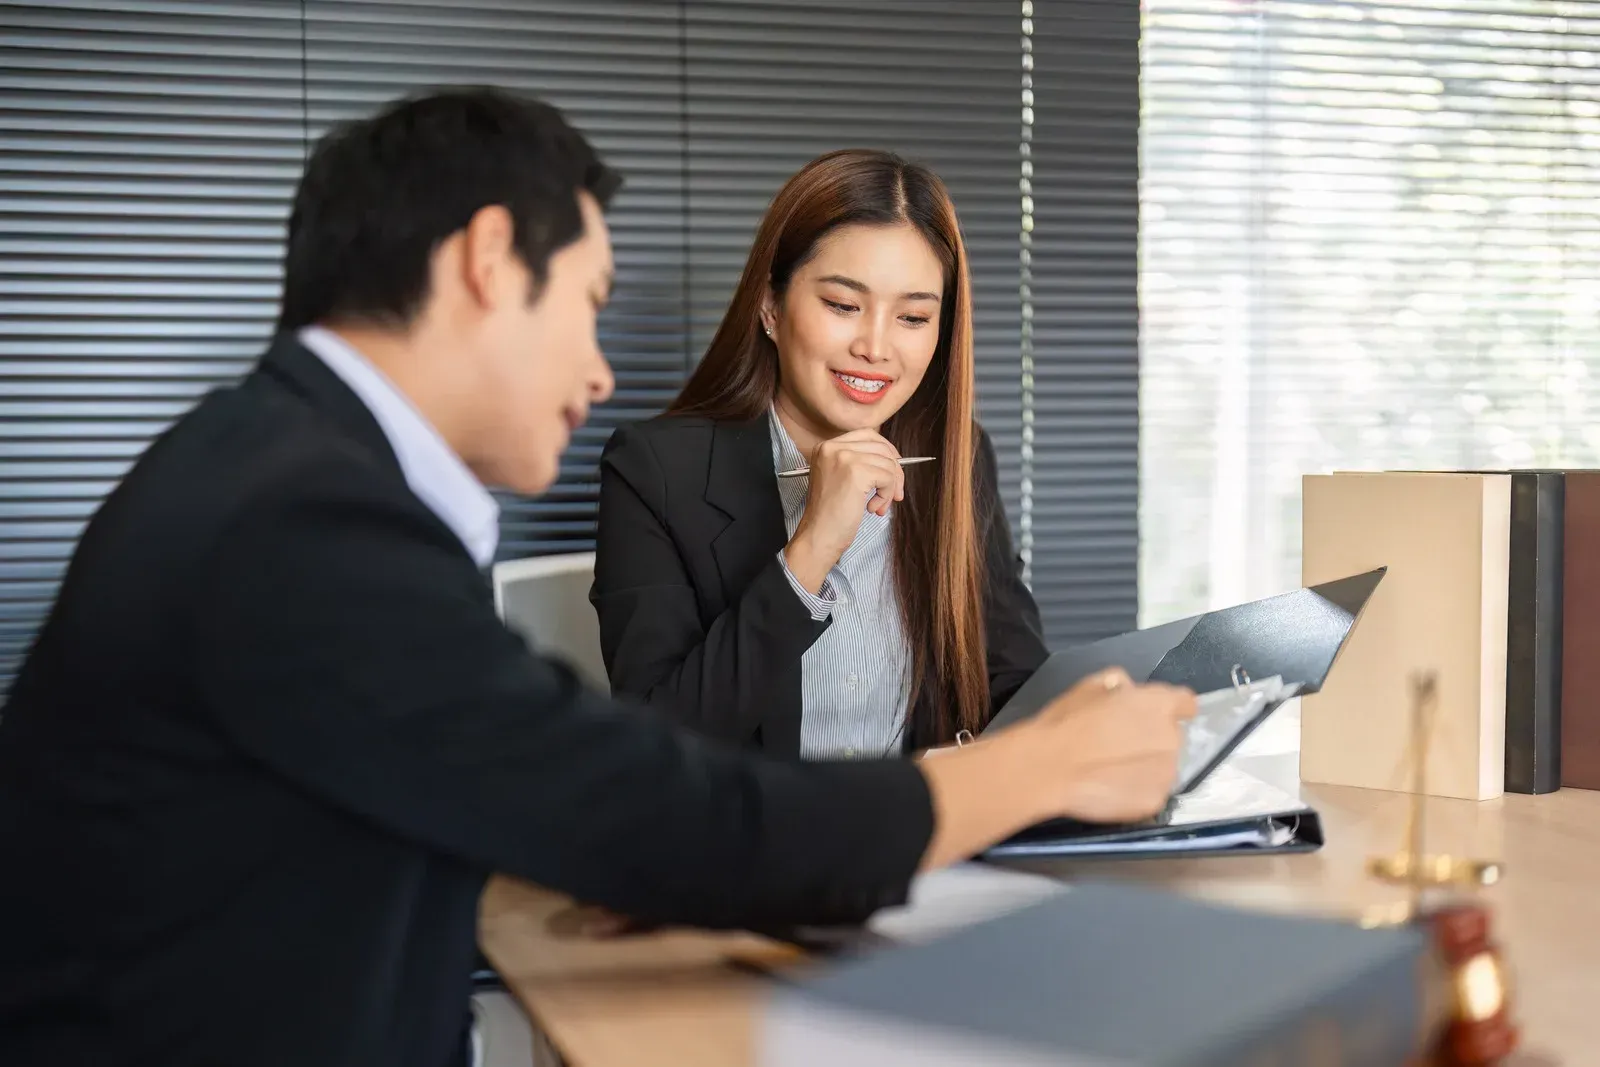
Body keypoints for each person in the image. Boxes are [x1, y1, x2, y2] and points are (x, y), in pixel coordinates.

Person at [0, 89, 1194, 1067]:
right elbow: (658, 801)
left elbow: (555, 791)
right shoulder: (305, 518)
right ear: (485, 263)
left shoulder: (264, 465)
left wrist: (621, 839)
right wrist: (1028, 769)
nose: (599, 369)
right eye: (587, 305)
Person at [592, 149, 1047, 758]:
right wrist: (810, 552)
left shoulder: (959, 457)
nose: (876, 347)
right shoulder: (654, 471)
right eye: (842, 305)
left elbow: (1014, 686)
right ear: (771, 306)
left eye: (913, 316)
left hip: (927, 841)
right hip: (754, 845)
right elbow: (656, 747)